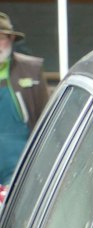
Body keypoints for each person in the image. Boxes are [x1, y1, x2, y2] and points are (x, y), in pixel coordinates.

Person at [1, 12, 52, 182]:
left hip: (21, 169)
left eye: (1, 37)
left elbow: (47, 121)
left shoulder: (31, 69)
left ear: (11, 40)